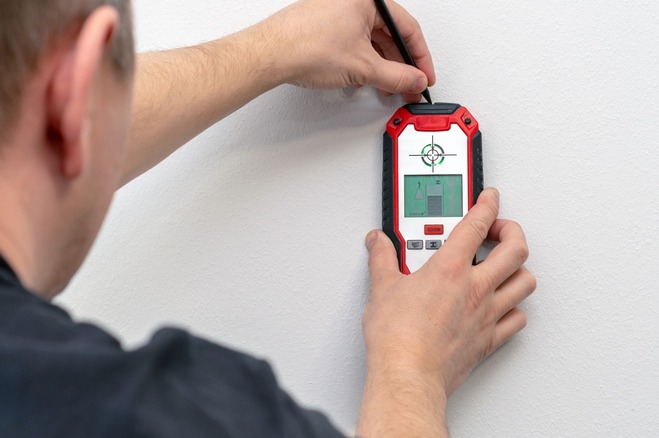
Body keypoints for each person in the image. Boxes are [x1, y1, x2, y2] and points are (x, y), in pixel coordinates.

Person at [0, 0, 536, 436]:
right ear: (77, 86)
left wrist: (274, 49)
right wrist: (412, 374)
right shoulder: (157, 417)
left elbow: (59, 123)